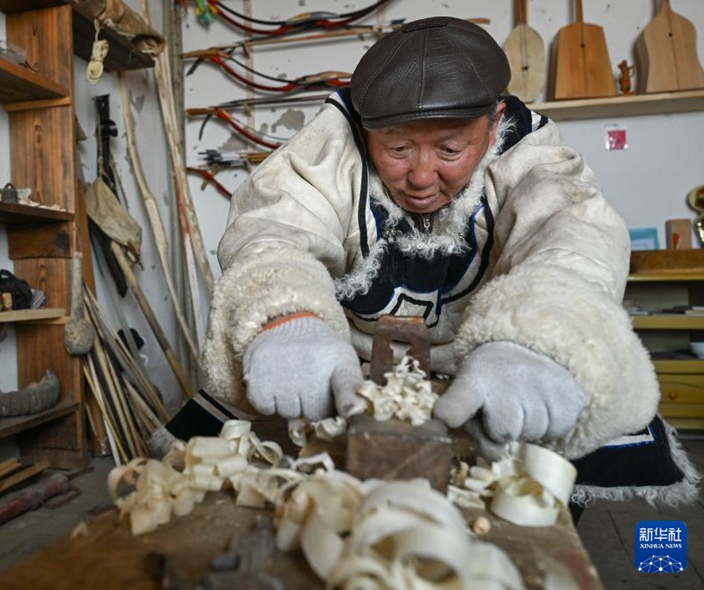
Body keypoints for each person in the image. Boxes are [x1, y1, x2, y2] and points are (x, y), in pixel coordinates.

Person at [201, 16, 698, 507]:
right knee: (238, 437)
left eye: (450, 148)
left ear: (494, 120)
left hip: (492, 365)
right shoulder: (333, 141)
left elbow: (572, 234)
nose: (421, 176)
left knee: (563, 427)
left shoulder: (530, 152)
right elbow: (273, 227)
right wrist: (289, 318)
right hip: (341, 365)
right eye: (397, 148)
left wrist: (541, 338)